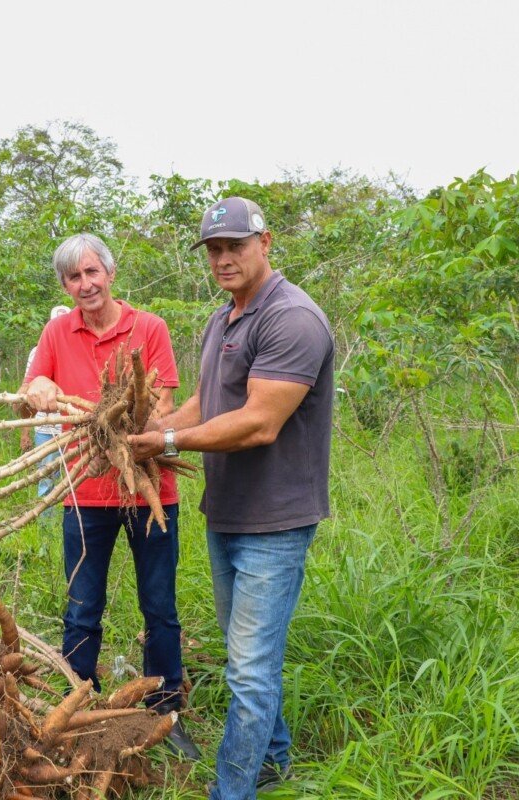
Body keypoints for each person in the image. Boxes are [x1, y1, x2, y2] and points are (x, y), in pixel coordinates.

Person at [128, 198, 334, 799]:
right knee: (249, 660)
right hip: (228, 512)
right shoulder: (225, 319)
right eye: (214, 249)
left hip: (275, 522)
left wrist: (166, 439)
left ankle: (232, 791)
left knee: (248, 669)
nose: (223, 259)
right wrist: (150, 427)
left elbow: (259, 423)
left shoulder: (292, 318)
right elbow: (207, 405)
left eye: (235, 246)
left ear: (265, 242)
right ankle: (275, 763)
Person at [21, 233, 200, 759]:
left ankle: (166, 711)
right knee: (81, 607)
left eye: (92, 273)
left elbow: (163, 403)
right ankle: (76, 709)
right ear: (64, 285)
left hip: (151, 490)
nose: (85, 284)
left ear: (111, 274)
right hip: (83, 492)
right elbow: (33, 393)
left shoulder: (149, 328)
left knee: (160, 607)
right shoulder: (57, 331)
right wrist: (41, 391)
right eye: (74, 277)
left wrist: (127, 412)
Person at [19, 303, 72, 505]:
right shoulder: (37, 352)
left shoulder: (80, 348)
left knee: (75, 479)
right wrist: (25, 433)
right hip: (46, 428)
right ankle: (46, 527)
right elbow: (26, 395)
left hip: (74, 427)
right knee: (47, 480)